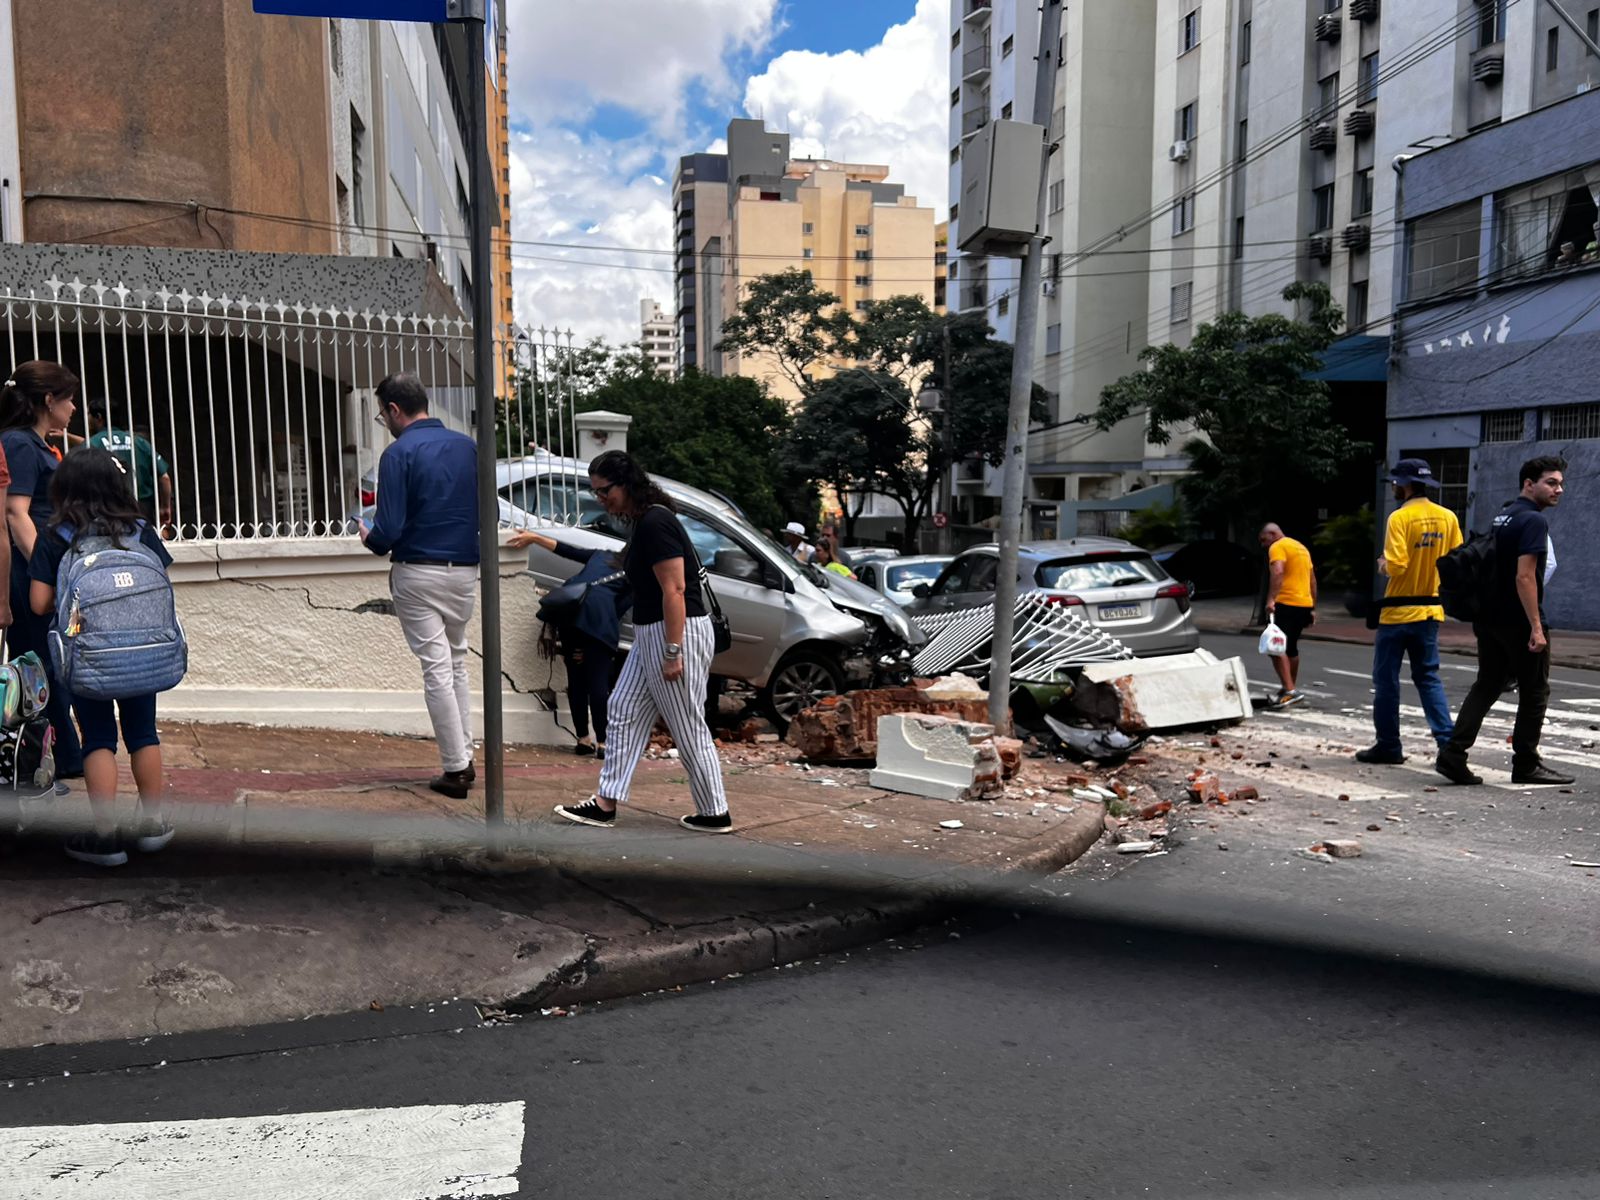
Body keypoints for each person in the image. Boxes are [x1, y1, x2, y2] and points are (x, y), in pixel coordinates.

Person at [554, 449, 732, 833]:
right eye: (596, 493)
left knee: (686, 725)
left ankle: (715, 811)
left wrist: (673, 651)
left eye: (604, 492)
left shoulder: (655, 522)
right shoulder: (643, 523)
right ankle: (605, 802)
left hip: (674, 633)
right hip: (653, 633)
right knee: (621, 709)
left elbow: (676, 590)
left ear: (626, 484)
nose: (601, 499)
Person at [28, 449, 177, 867]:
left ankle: (106, 837)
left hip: (88, 654)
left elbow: (39, 603)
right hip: (142, 653)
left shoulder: (57, 534)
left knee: (98, 739)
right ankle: (152, 825)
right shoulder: (140, 528)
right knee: (143, 733)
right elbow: (158, 583)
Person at [359, 373, 480, 800]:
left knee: (436, 667)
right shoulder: (468, 447)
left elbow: (387, 529)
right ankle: (464, 755)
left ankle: (456, 767)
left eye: (382, 414)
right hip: (464, 568)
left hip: (418, 568)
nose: (384, 421)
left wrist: (369, 537)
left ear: (394, 409)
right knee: (457, 662)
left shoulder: (398, 454)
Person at [1437, 457, 1573, 787]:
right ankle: (1526, 763)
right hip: (1517, 621)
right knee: (1535, 690)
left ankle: (1453, 754)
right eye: (1551, 482)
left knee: (1488, 683)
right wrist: (1536, 627)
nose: (1559, 489)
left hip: (1489, 617)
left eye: (1560, 483)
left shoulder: (1505, 514)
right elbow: (1525, 576)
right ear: (1529, 483)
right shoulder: (1533, 521)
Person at [1, 361, 84, 781]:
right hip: (29, 574)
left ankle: (64, 757)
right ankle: (56, 759)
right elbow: (16, 514)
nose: (73, 407)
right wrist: (46, 571)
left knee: (52, 664)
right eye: (68, 398)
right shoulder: (18, 443)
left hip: (39, 570)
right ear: (48, 401)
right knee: (41, 667)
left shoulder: (33, 444)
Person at [1356, 459, 1463, 765]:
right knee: (1428, 678)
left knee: (1386, 680)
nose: (1393, 487)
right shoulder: (1448, 518)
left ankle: (1389, 746)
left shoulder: (1399, 518)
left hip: (1397, 614)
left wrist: (1383, 564)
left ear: (1403, 485)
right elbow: (1455, 563)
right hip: (1430, 611)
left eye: (1395, 483)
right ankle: (1447, 744)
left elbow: (1398, 564)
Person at [508, 528, 630, 759]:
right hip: (598, 623)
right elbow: (618, 610)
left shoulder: (602, 555)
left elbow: (567, 550)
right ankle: (603, 743)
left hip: (571, 618)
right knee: (597, 682)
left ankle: (583, 739)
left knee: (576, 678)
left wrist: (534, 537)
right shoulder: (636, 574)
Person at [86, 399, 174, 531]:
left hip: (109, 511)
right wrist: (165, 507)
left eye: (88, 414)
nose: (86, 419)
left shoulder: (93, 443)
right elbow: (164, 477)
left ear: (98, 417)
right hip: (141, 509)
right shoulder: (139, 442)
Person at [1258, 522, 1317, 708]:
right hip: (1304, 604)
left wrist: (1270, 600)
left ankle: (1290, 690)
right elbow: (1312, 579)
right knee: (1291, 648)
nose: (1263, 545)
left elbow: (1278, 571)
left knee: (1275, 648)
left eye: (1263, 539)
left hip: (1286, 602)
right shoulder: (1301, 548)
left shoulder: (1278, 546)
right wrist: (1312, 606)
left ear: (1273, 533)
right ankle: (1288, 688)